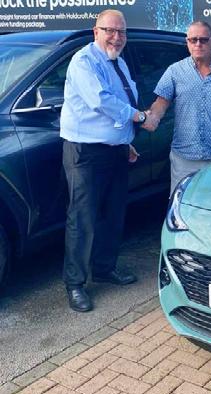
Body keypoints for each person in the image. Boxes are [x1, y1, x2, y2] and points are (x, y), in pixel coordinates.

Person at [60, 9, 152, 312]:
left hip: (115, 150)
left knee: (113, 214)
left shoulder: (118, 62)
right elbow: (101, 101)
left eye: (121, 31)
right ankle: (75, 284)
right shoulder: (84, 62)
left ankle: (104, 268)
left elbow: (119, 105)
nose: (116, 37)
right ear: (95, 31)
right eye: (110, 30)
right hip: (85, 152)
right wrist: (140, 117)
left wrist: (125, 141)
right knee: (82, 218)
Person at [143, 20, 211, 192]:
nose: (198, 44)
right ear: (187, 42)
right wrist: (153, 116)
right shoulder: (174, 71)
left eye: (203, 40)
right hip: (184, 160)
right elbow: (161, 102)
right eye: (193, 40)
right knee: (182, 203)